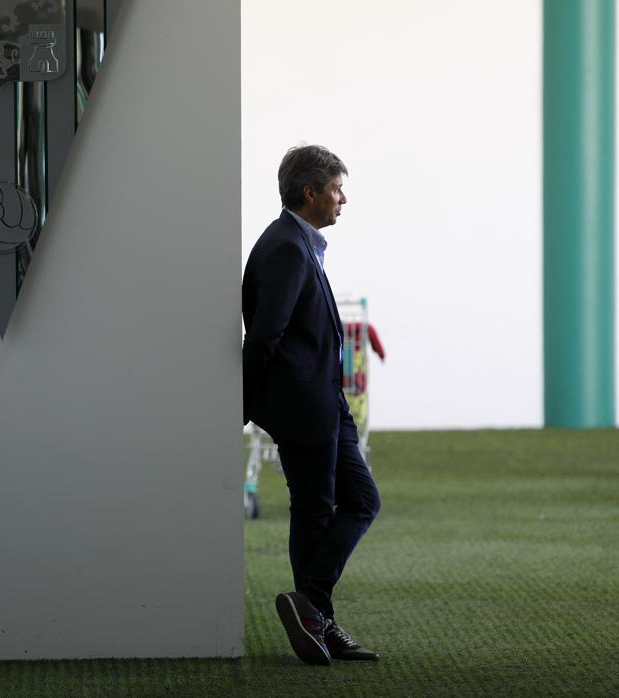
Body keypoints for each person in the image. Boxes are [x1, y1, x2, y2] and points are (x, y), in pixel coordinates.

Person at [242, 145, 382, 666]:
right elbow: (264, 338)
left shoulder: (300, 243)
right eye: (337, 189)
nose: (342, 199)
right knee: (316, 511)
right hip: (304, 406)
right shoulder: (285, 247)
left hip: (326, 403)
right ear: (311, 193)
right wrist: (246, 403)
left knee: (359, 501)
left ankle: (311, 612)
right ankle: (315, 616)